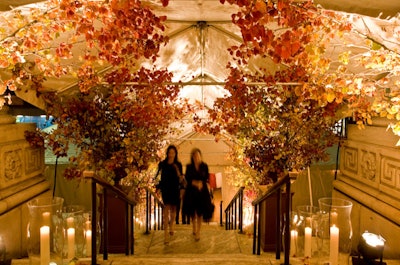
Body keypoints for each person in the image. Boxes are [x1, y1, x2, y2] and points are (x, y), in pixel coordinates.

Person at [183, 148, 213, 241]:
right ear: (192, 157)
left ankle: (198, 232)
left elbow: (206, 177)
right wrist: (195, 183)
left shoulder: (204, 166)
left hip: (201, 191)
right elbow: (187, 178)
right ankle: (194, 227)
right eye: (195, 155)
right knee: (193, 212)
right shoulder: (189, 166)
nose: (197, 157)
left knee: (199, 212)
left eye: (198, 155)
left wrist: (201, 184)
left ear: (200, 156)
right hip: (191, 191)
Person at [155, 145, 184, 244]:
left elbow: (181, 179)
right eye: (170, 152)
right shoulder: (163, 164)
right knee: (166, 209)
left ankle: (172, 225)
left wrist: (177, 171)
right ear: (167, 153)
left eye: (173, 153)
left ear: (175, 154)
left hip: (175, 188)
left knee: (174, 209)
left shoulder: (178, 164)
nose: (171, 154)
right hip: (166, 188)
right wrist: (158, 187)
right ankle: (166, 234)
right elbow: (157, 176)